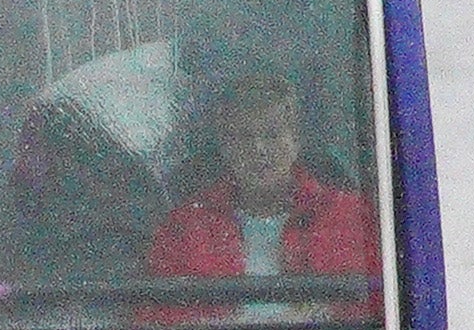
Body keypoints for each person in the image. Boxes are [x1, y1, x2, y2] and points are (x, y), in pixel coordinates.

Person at [139, 67, 380, 314]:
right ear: (225, 147)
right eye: (244, 137)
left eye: (272, 135)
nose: (259, 149)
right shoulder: (184, 227)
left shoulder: (350, 217)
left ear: (296, 141)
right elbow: (156, 319)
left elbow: (381, 308)